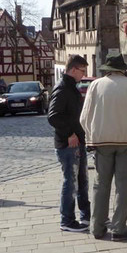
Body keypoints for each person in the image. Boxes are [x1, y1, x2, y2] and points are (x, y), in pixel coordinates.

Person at [80, 53, 127, 241]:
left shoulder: (95, 85)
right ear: (123, 70)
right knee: (123, 185)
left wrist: (91, 138)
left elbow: (84, 117)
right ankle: (119, 228)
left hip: (102, 142)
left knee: (100, 185)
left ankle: (97, 227)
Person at [48, 55, 91, 233]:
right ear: (73, 69)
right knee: (71, 182)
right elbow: (53, 116)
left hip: (77, 142)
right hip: (68, 145)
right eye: (82, 70)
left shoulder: (70, 87)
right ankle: (67, 220)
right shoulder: (63, 88)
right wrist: (69, 134)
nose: (84, 74)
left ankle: (86, 216)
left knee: (82, 181)